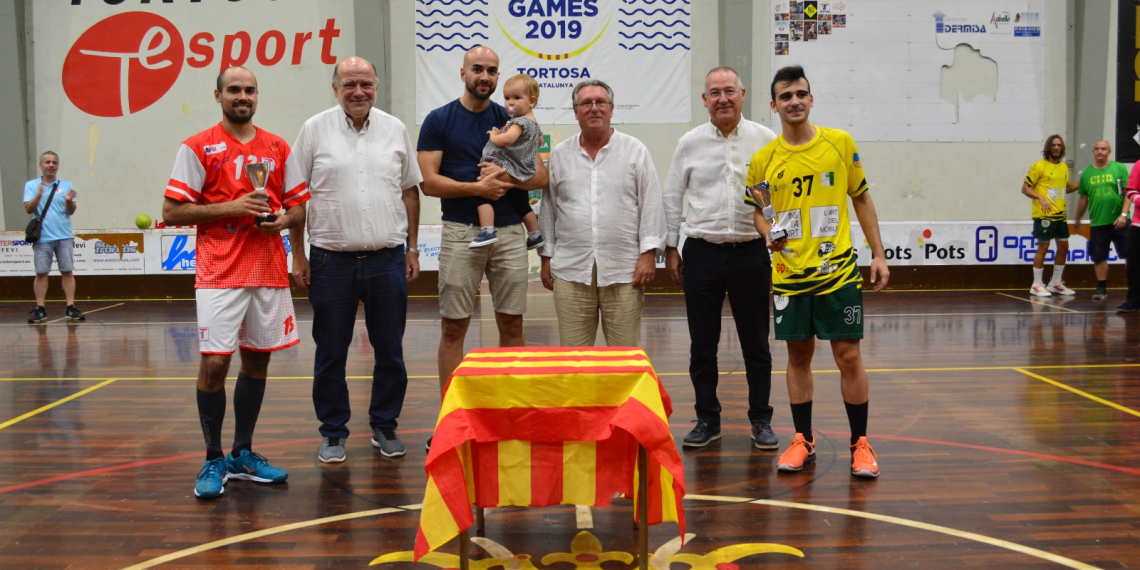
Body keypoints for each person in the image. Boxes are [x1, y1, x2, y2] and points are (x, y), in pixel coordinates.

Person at [163, 66, 310, 499]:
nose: (241, 96)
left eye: (248, 90)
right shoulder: (196, 147)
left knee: (258, 361)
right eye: (233, 90)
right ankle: (212, 457)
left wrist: (282, 220)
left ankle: (242, 453)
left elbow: (299, 206)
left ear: (257, 96)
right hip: (219, 271)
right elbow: (172, 211)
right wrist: (234, 206)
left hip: (266, 267)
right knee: (214, 362)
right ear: (218, 95)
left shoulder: (278, 147)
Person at [747, 65, 889, 478]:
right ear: (774, 105)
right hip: (789, 276)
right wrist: (767, 233)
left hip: (838, 272)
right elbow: (760, 213)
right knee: (798, 356)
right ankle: (803, 439)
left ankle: (860, 443)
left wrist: (878, 254)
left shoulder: (840, 144)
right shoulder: (763, 160)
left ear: (811, 99)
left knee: (848, 356)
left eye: (801, 94)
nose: (794, 101)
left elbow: (861, 199)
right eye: (786, 96)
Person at [288, 56, 423, 463]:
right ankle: (333, 432)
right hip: (331, 262)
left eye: (365, 83)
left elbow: (410, 192)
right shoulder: (314, 130)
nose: (358, 91)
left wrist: (412, 247)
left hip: (387, 260)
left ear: (376, 86)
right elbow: (295, 197)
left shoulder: (395, 129)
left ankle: (384, 425)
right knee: (330, 352)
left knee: (390, 351)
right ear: (335, 88)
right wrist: (298, 255)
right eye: (349, 84)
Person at [418, 46, 548, 448]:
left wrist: (507, 178)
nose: (485, 76)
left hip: (509, 235)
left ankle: (510, 414)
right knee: (454, 326)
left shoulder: (512, 118)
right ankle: (451, 418)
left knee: (512, 325)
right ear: (463, 72)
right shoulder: (439, 120)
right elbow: (429, 181)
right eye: (478, 69)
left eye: (492, 70)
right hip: (460, 231)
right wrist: (477, 188)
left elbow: (540, 175)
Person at [663, 67, 778, 450]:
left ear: (743, 95)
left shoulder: (765, 140)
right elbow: (671, 195)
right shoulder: (689, 143)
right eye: (715, 92)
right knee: (702, 345)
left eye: (730, 91)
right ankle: (707, 419)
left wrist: (778, 241)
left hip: (751, 252)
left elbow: (773, 197)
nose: (723, 98)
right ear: (705, 99)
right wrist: (670, 247)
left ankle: (761, 419)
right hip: (701, 253)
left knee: (756, 345)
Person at [539, 79, 665, 347]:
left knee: (624, 358)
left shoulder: (635, 151)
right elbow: (548, 209)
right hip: (570, 270)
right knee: (574, 359)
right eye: (586, 103)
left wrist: (648, 254)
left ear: (611, 108)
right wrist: (546, 256)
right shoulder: (560, 155)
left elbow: (652, 204)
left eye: (600, 102)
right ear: (575, 111)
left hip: (624, 270)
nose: (594, 108)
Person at [469, 73, 544, 250]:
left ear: (531, 101)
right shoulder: (534, 123)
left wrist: (496, 136)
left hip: (508, 167)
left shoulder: (519, 122)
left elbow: (507, 140)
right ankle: (535, 235)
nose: (510, 103)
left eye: (517, 98)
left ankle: (487, 231)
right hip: (523, 169)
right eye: (507, 98)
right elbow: (539, 142)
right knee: (521, 202)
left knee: (482, 194)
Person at [24, 151, 84, 323]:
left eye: (54, 163)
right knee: (41, 273)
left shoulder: (66, 185)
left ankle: (70, 307)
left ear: (57, 166)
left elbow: (71, 211)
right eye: (47, 162)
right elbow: (28, 209)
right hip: (42, 238)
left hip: (64, 236)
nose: (51, 165)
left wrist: (68, 200)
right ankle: (40, 308)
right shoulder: (31, 185)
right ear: (41, 165)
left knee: (67, 271)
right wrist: (39, 195)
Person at [1021, 135, 1080, 297]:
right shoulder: (1039, 166)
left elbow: (1065, 188)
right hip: (1044, 216)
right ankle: (1036, 285)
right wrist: (1040, 197)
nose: (1056, 147)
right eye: (1053, 145)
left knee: (1063, 247)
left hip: (1060, 215)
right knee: (1044, 247)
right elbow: (1025, 188)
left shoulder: (1063, 168)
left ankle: (1055, 282)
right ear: (1048, 147)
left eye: (1059, 145)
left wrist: (1084, 182)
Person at [1073, 140, 1129, 301]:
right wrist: (1077, 218)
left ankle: (1134, 289)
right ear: (1093, 152)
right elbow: (1083, 198)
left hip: (1120, 222)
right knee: (1099, 256)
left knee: (1130, 256)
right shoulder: (1087, 173)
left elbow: (1128, 193)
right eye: (1097, 148)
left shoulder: (1119, 168)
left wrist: (1123, 215)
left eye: (1103, 149)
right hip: (1098, 222)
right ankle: (1101, 288)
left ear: (1109, 152)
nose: (1100, 151)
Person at [1119, 165, 1140, 312]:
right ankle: (1133, 301)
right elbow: (1130, 190)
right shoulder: (1139, 165)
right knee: (1134, 263)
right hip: (1138, 225)